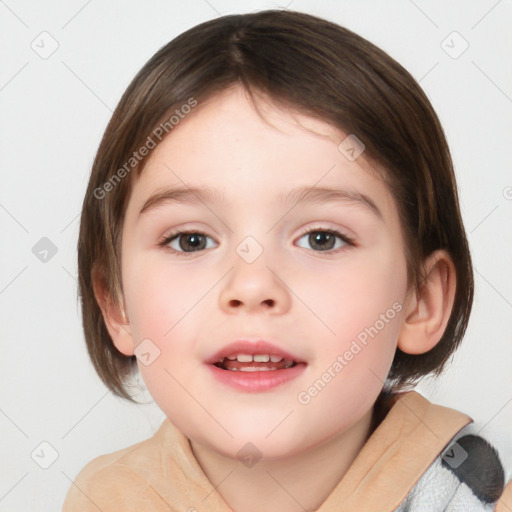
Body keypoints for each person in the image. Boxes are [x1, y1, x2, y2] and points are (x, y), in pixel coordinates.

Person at [63, 9, 511, 511]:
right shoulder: (103, 500)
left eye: (322, 238)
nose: (252, 285)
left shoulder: (481, 495)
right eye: (191, 240)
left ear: (420, 301)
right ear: (117, 305)